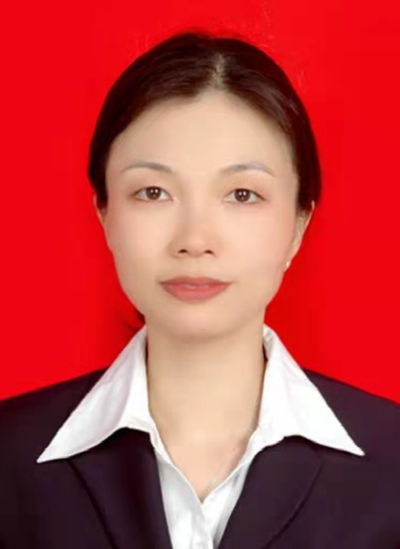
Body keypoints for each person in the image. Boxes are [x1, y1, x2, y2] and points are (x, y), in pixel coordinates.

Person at [0, 29, 399, 549]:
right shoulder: (9, 457)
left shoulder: (393, 463)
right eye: (153, 192)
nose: (194, 240)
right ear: (105, 215)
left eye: (242, 194)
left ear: (299, 225)